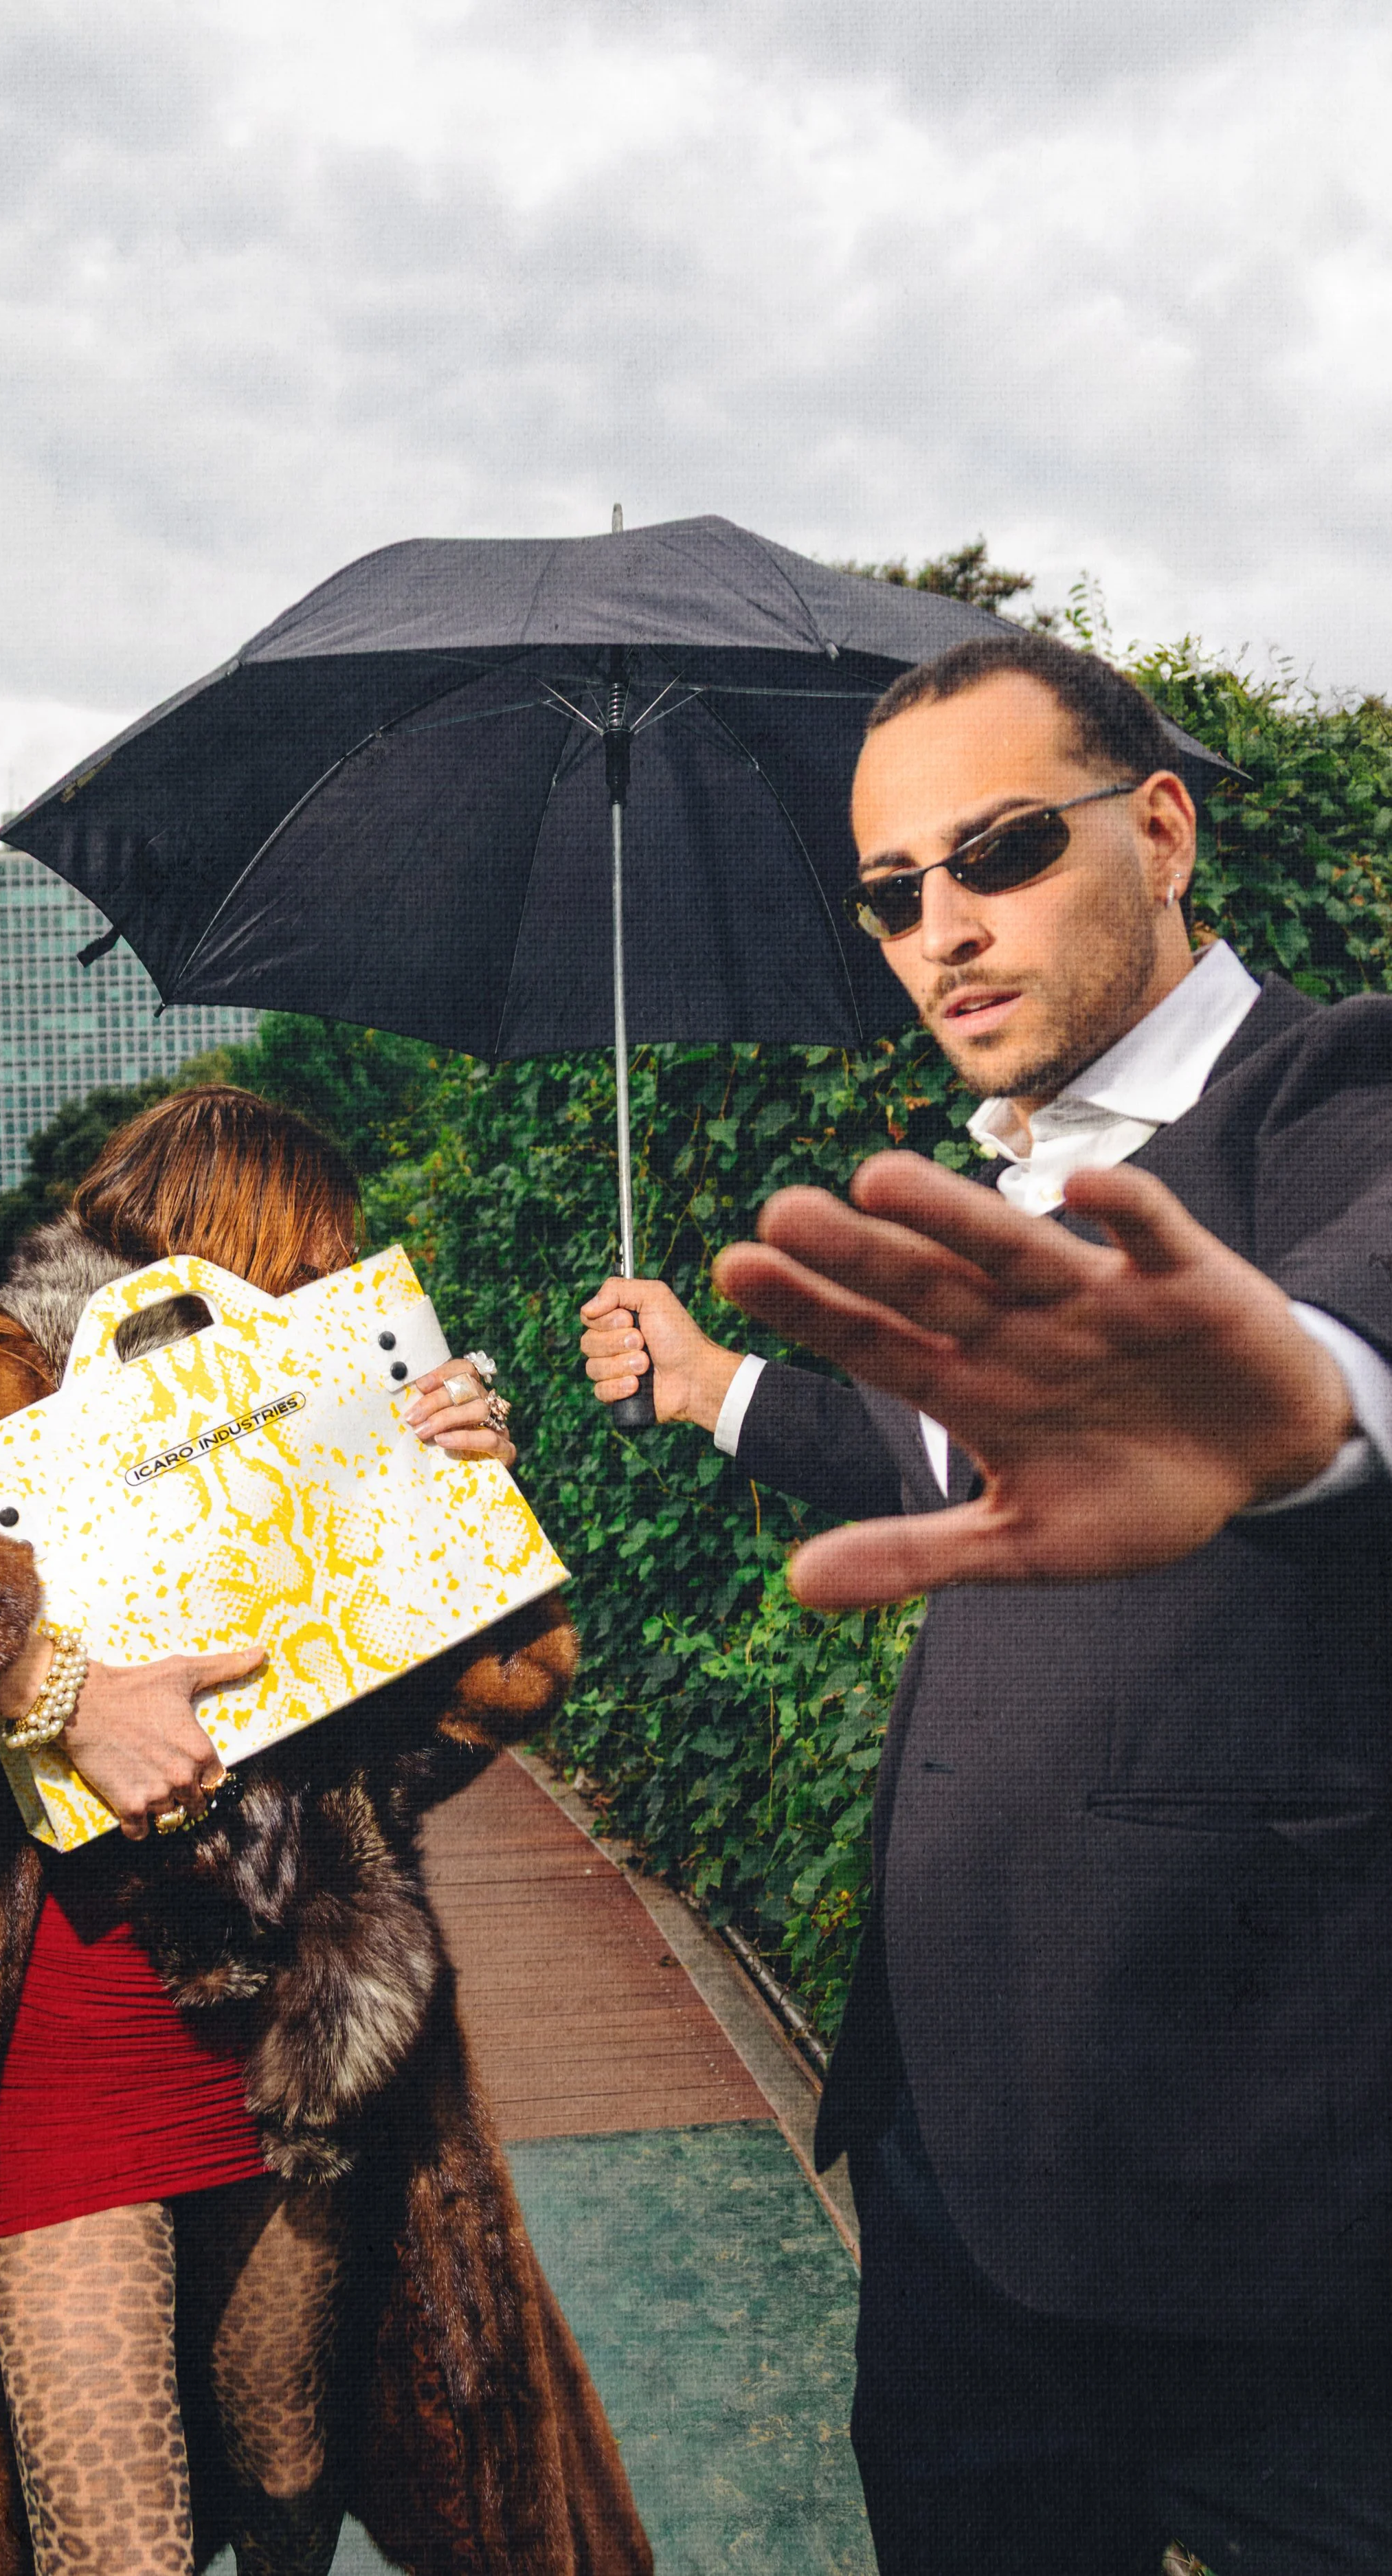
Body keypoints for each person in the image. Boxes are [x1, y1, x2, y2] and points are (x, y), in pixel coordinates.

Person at [581, 629, 1392, 2574]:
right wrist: (706, 1384)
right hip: (947, 2186)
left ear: (1163, 828)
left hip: (1266, 2198)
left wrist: (1278, 1406)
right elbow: (951, 1452)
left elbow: (1335, 1357)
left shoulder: (1333, 1086)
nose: (941, 924)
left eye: (1001, 849)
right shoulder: (1010, 1201)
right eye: (889, 894)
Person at [0, 1084, 651, 2576]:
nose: (336, 1291)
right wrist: (44, 1686)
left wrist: (452, 1519)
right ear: (224, 1235)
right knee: (116, 2539)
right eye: (314, 1257)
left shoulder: (310, 1413)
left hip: (282, 2044)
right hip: (43, 2056)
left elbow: (432, 1744)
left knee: (282, 2470)